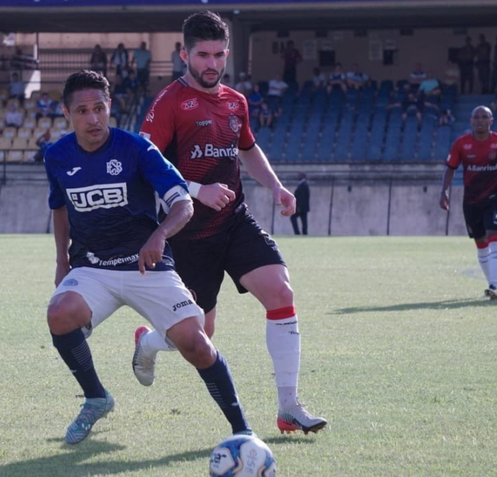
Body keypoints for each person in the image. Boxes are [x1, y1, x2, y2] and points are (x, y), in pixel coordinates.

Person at [135, 10, 327, 435]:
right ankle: (148, 341)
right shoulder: (169, 103)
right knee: (199, 333)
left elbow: (248, 149)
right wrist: (195, 190)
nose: (212, 64)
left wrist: (277, 187)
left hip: (234, 221)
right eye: (203, 55)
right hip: (187, 233)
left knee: (280, 290)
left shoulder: (235, 101)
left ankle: (289, 406)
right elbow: (144, 164)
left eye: (219, 54)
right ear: (184, 54)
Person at [45, 69, 253, 445]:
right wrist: (62, 260)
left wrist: (159, 234)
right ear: (66, 113)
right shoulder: (56, 156)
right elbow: (59, 207)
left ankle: (243, 431)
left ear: (110, 107)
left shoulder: (137, 150)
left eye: (99, 108)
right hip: (92, 267)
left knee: (196, 342)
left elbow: (183, 204)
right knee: (59, 313)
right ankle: (96, 398)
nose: (92, 118)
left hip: (147, 266)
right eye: (82, 111)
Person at [439, 106, 497, 300]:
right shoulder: (461, 144)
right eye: (476, 117)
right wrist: (443, 190)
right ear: (471, 121)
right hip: (471, 201)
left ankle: (494, 285)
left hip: (495, 198)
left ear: (491, 121)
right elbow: (450, 168)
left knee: (494, 236)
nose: (480, 120)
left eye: (484, 117)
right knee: (480, 242)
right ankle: (491, 284)